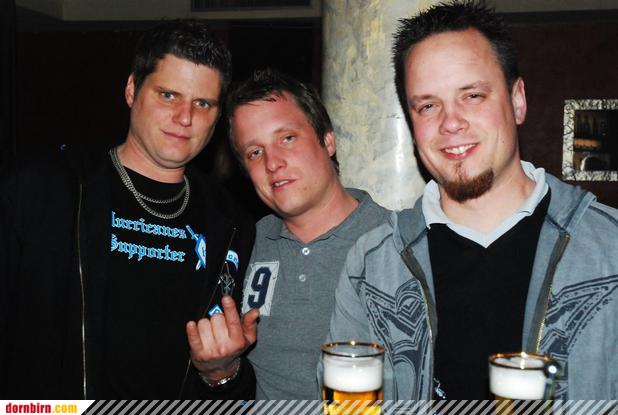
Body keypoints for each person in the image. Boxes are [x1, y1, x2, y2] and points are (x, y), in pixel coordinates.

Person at [327, 0, 618, 400]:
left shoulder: (610, 249)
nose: (450, 122)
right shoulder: (372, 265)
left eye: (473, 96)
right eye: (428, 106)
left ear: (517, 100)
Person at [0, 19, 255, 399]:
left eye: (202, 103)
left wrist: (222, 374)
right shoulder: (43, 189)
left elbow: (233, 385)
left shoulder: (232, 225)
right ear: (132, 90)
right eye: (168, 95)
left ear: (217, 116)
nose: (185, 117)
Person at [189, 68, 391, 400]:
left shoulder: (398, 243)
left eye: (287, 138)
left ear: (327, 141)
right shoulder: (241, 245)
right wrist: (219, 372)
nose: (272, 163)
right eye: (255, 152)